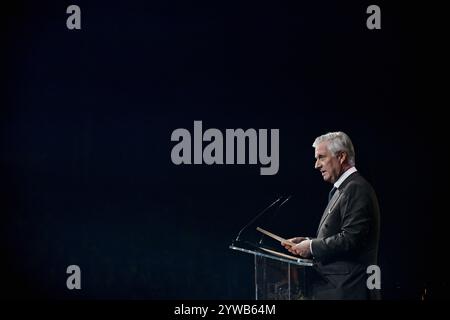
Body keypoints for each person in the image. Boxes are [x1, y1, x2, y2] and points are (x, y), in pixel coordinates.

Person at [282, 132, 380, 299]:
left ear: (341, 156)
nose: (316, 165)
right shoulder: (341, 190)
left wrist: (311, 247)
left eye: (321, 157)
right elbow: (337, 235)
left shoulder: (356, 188)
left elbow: (351, 239)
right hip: (335, 289)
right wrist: (308, 241)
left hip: (348, 290)